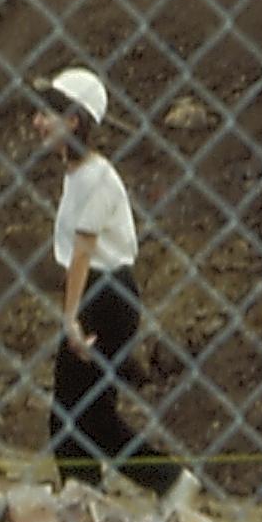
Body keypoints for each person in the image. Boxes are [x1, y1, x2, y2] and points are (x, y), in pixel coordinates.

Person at [30, 65, 181, 496]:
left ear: (73, 120)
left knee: (70, 417)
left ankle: (87, 503)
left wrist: (72, 318)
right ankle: (163, 483)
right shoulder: (79, 175)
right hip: (102, 295)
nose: (37, 122)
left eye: (48, 113)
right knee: (91, 417)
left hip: (104, 297)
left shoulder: (97, 178)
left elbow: (83, 252)